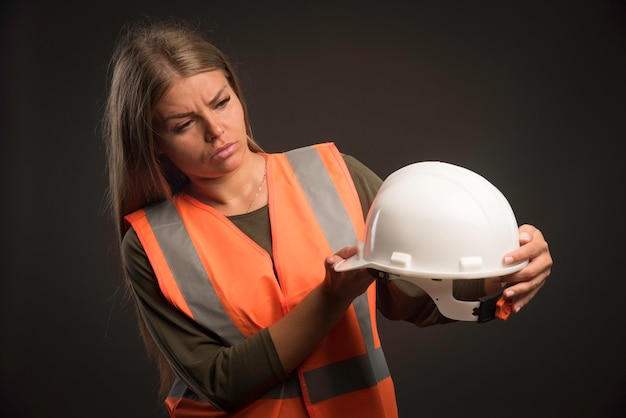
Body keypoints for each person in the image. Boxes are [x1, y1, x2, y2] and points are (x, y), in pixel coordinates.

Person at [102, 16, 552, 418]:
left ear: (236, 94)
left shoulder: (336, 175)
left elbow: (416, 297)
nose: (215, 130)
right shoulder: (149, 244)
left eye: (221, 102)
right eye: (183, 123)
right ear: (153, 141)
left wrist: (506, 276)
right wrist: (331, 297)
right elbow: (223, 385)